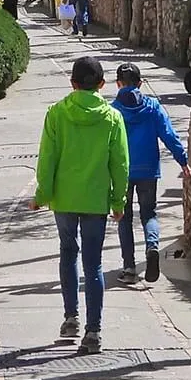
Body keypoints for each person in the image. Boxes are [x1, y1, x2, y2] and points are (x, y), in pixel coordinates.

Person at [31, 55, 129, 355]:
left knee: (67, 253)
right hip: (95, 200)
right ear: (101, 84)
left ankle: (71, 317)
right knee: (94, 263)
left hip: (64, 198)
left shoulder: (56, 114)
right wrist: (118, 200)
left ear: (72, 83)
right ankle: (93, 331)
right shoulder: (112, 118)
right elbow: (120, 165)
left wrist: (42, 195)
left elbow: (47, 159)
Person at [112, 62, 191, 285]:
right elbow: (168, 134)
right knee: (149, 213)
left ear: (118, 84)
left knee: (123, 217)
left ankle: (128, 267)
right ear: (140, 83)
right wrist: (183, 161)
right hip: (148, 170)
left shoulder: (113, 110)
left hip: (122, 172)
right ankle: (153, 246)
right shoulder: (153, 106)